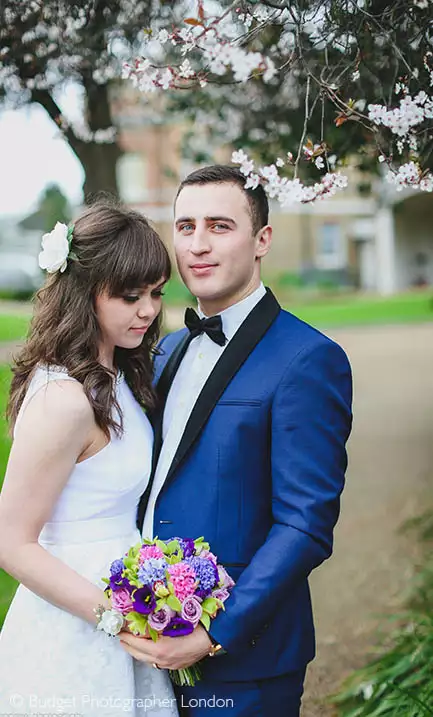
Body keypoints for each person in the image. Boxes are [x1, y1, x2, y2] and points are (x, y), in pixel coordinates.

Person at [120, 166, 353, 717]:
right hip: (146, 643)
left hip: (246, 661)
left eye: (220, 226)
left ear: (262, 239)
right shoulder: (165, 351)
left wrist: (212, 634)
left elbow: (306, 524)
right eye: (185, 226)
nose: (197, 245)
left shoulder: (308, 359)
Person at [0, 203, 178, 717]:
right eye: (130, 296)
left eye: (156, 293)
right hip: (76, 622)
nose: (148, 310)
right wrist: (116, 616)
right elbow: (11, 542)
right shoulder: (64, 399)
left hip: (126, 606)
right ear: (85, 292)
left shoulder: (117, 375)